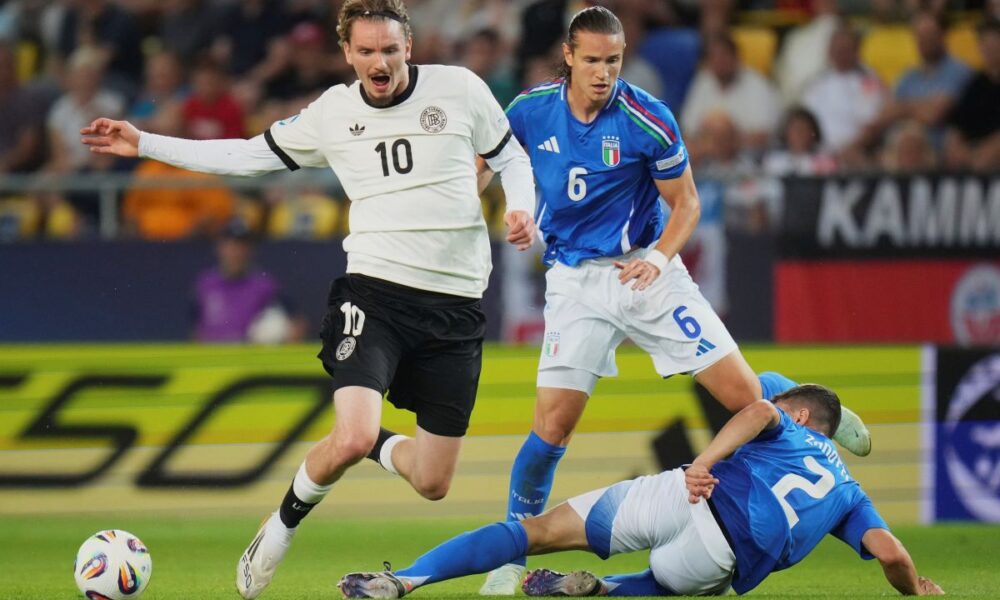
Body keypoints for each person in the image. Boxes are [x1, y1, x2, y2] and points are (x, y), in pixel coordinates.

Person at [80, 1, 537, 598]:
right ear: (347, 53)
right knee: (345, 439)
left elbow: (510, 157)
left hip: (455, 307)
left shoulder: (460, 90)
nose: (381, 62)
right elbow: (246, 156)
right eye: (368, 51)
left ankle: (371, 437)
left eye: (391, 50)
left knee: (432, 481)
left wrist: (522, 206)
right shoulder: (332, 113)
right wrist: (144, 143)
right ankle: (279, 526)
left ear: (410, 46)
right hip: (374, 292)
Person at [474, 7, 871, 595]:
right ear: (568, 57)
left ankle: (819, 412)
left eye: (613, 60)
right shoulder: (531, 110)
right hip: (576, 281)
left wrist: (658, 258)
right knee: (551, 429)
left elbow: (686, 204)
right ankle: (512, 551)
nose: (603, 73)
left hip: (648, 272)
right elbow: (486, 164)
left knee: (744, 400)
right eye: (592, 61)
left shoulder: (646, 118)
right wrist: (498, 207)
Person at [337, 381, 944, 598]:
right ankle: (603, 588)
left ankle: (406, 580)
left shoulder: (782, 420)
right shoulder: (849, 493)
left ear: (803, 418)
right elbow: (890, 553)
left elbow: (759, 407)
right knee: (678, 587)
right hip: (717, 558)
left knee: (535, 532)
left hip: (688, 493)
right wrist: (915, 589)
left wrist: (703, 460)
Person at [191, 219, 306, 344]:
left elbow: (297, 324)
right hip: (213, 356)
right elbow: (196, 329)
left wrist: (274, 342)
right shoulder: (205, 284)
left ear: (251, 250)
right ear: (220, 248)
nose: (236, 252)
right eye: (231, 245)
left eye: (242, 246)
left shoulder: (265, 285)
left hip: (249, 358)